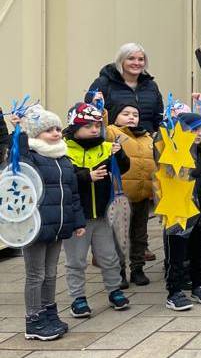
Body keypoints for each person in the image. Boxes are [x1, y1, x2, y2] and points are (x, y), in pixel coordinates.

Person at [11, 106, 86, 341]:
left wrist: (77, 221)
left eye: (57, 128)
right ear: (35, 134)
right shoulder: (30, 156)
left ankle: (49, 313)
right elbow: (19, 158)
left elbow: (72, 193)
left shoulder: (63, 159)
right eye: (48, 130)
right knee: (36, 274)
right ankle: (33, 320)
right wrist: (19, 131)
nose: (55, 133)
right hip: (35, 227)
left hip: (57, 226)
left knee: (51, 273)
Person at [63, 102, 132, 318]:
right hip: (77, 217)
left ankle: (114, 291)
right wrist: (87, 176)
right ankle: (78, 298)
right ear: (75, 127)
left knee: (109, 257)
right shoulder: (64, 150)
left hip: (103, 215)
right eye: (88, 125)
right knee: (76, 261)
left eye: (97, 124)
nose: (94, 129)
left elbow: (124, 168)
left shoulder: (105, 146)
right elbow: (63, 179)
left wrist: (119, 155)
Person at [159, 113, 201, 311]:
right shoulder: (173, 152)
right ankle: (174, 291)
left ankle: (198, 284)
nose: (198, 134)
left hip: (200, 211)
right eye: (193, 130)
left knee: (199, 251)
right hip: (178, 211)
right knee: (176, 254)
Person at [105, 102, 157, 287]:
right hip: (120, 195)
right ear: (115, 116)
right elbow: (101, 128)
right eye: (125, 113)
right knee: (119, 235)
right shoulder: (112, 132)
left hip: (142, 195)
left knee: (140, 235)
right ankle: (119, 271)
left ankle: (137, 268)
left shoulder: (147, 137)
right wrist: (101, 108)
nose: (131, 117)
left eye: (135, 114)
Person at [87, 43, 164, 133]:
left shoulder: (151, 86)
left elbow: (159, 117)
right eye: (131, 58)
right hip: (114, 141)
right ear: (121, 61)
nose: (136, 63)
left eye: (141, 59)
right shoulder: (103, 83)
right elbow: (89, 114)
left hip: (147, 142)